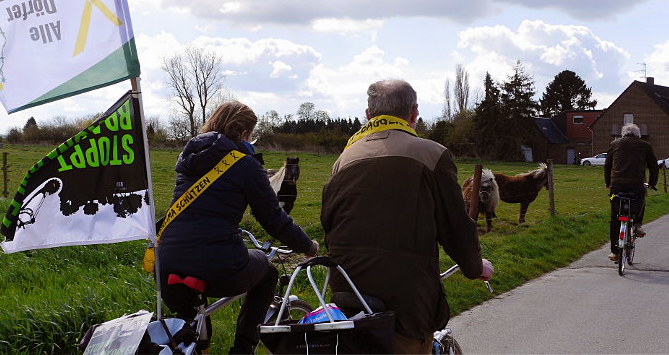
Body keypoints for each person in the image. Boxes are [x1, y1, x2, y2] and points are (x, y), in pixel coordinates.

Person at [321, 79, 493, 354]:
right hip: (405, 299)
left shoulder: (343, 159)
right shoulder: (432, 154)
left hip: (348, 293)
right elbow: (456, 227)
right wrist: (476, 268)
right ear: (414, 114)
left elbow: (328, 223)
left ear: (368, 116)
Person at [157, 101, 318, 354]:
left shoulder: (188, 158)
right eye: (251, 134)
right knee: (267, 272)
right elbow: (273, 218)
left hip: (166, 262)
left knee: (193, 324)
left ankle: (199, 346)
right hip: (216, 264)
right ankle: (243, 349)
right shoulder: (244, 163)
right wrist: (307, 245)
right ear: (244, 134)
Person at [604, 123, 658, 262]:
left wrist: (607, 182)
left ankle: (614, 252)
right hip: (636, 185)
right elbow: (653, 166)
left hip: (616, 186)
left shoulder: (614, 144)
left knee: (614, 217)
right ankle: (637, 225)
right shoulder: (646, 145)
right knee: (641, 200)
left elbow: (607, 165)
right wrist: (652, 183)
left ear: (624, 134)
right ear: (637, 134)